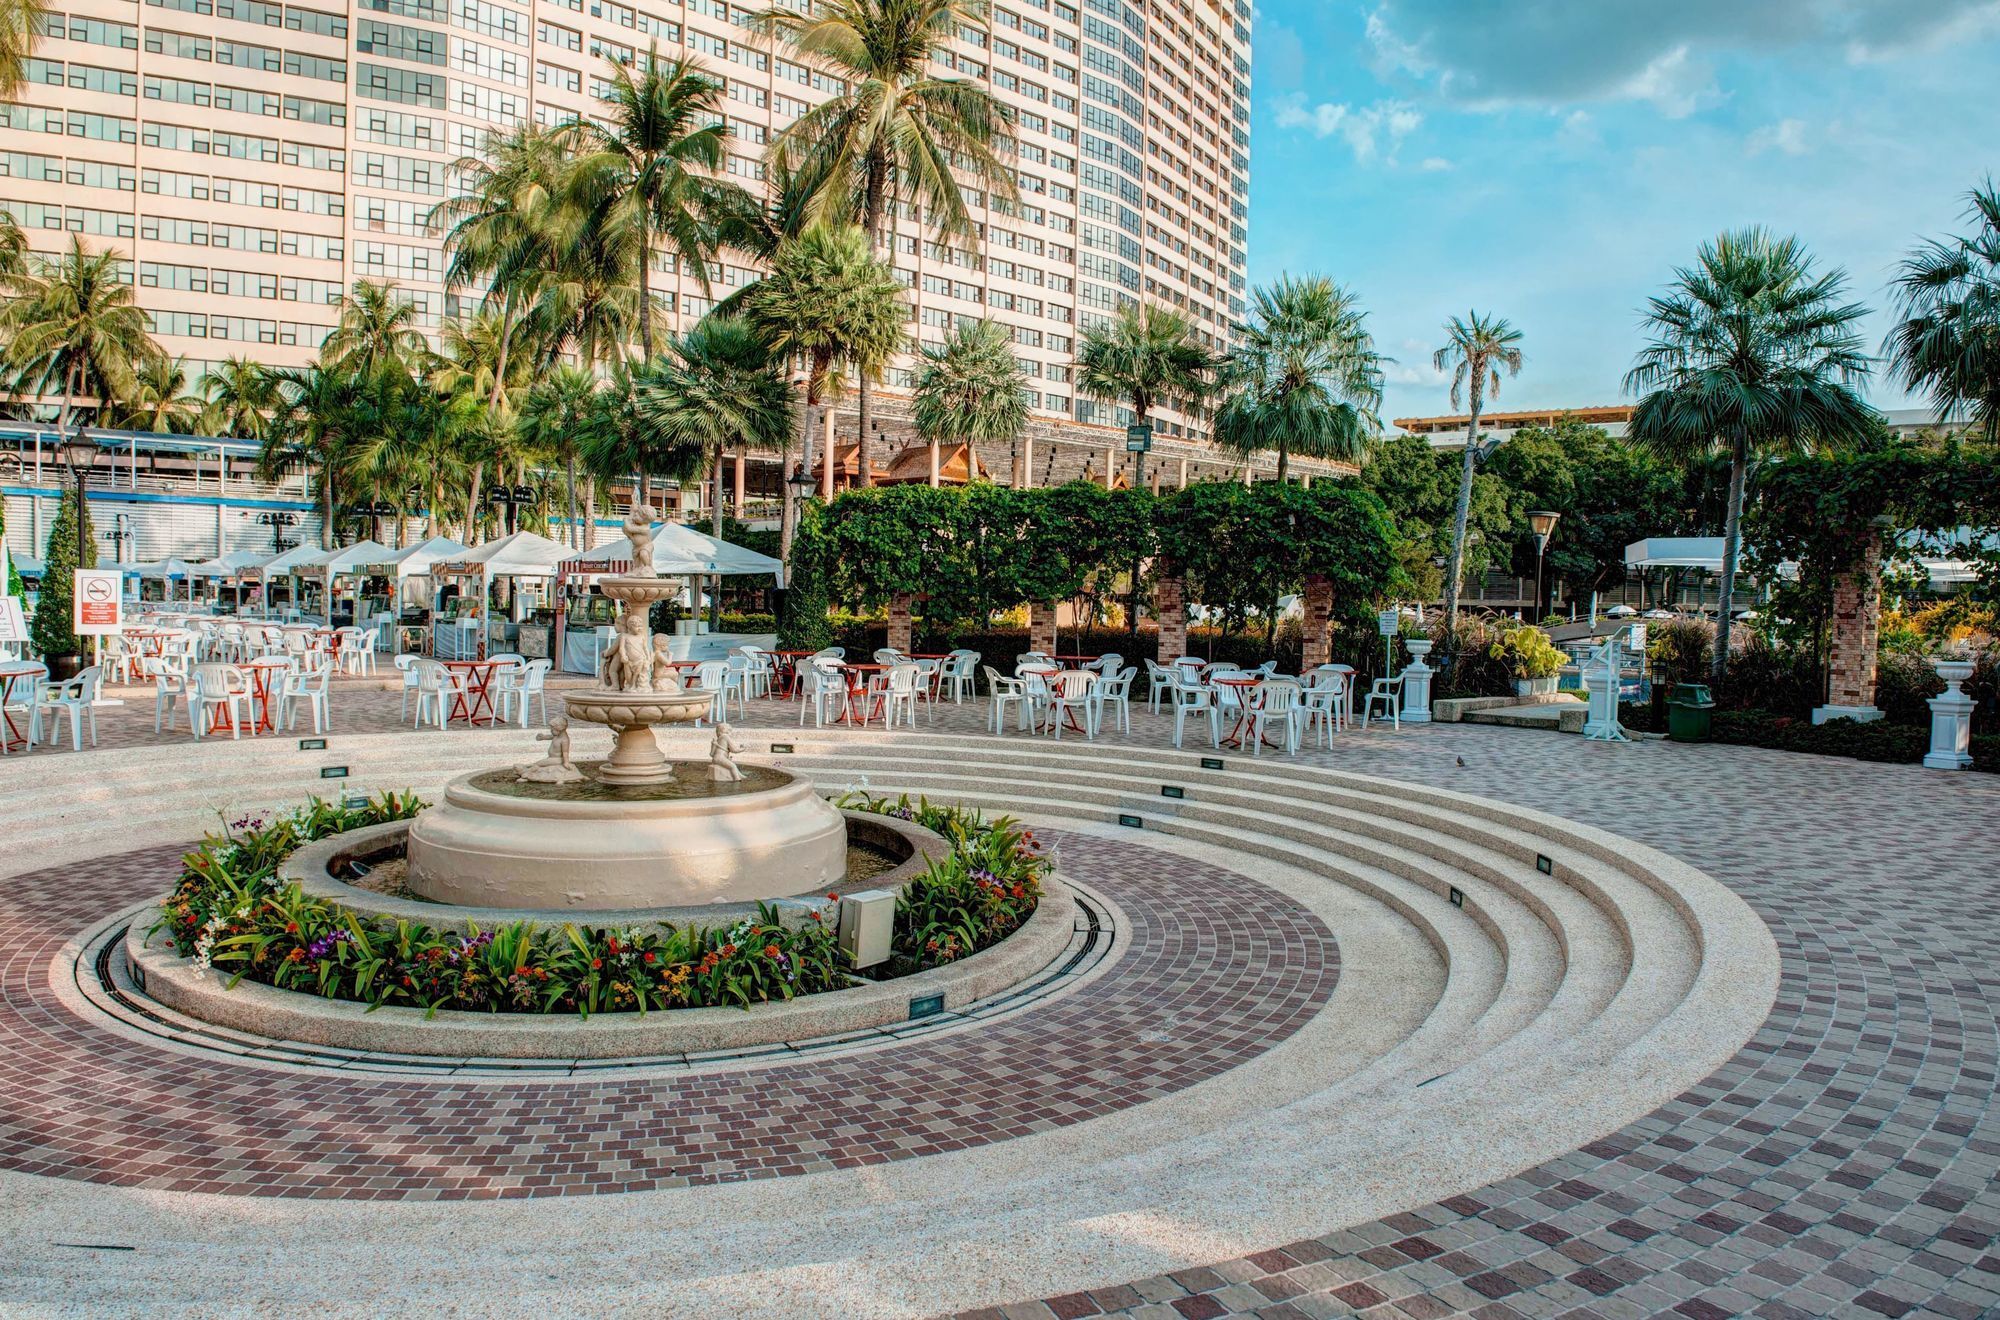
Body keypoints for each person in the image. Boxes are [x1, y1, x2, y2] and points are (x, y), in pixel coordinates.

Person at [624, 503, 658, 577]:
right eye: (636, 513)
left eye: (638, 514)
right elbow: (625, 530)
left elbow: (629, 528)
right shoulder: (638, 524)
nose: (635, 515)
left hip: (646, 546)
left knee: (643, 554)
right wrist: (632, 512)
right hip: (637, 546)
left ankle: (647, 567)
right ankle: (637, 569)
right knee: (636, 560)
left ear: (645, 519)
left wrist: (626, 520)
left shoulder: (645, 528)